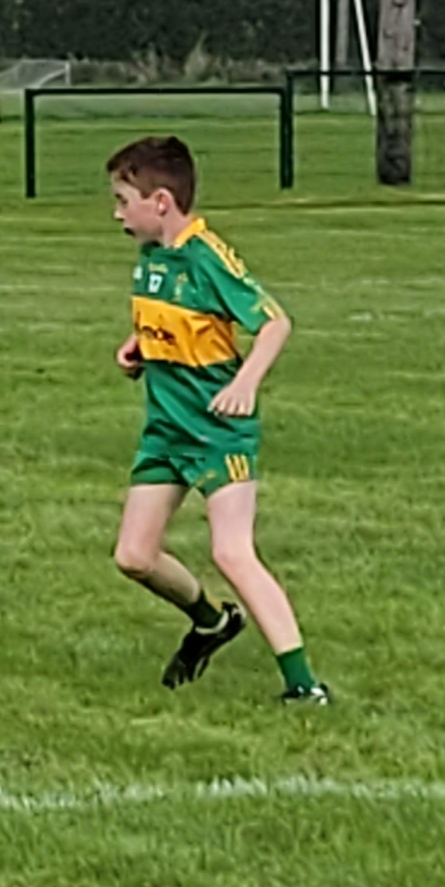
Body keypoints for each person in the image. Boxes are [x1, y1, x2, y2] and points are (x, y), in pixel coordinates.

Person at [103, 136, 325, 705]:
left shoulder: (208, 256)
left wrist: (244, 384)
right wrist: (140, 345)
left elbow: (274, 323)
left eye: (123, 201)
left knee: (232, 552)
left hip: (216, 431)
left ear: (160, 202)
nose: (117, 214)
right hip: (166, 430)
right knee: (134, 557)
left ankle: (304, 686)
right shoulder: (153, 257)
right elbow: (178, 321)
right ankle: (212, 623)